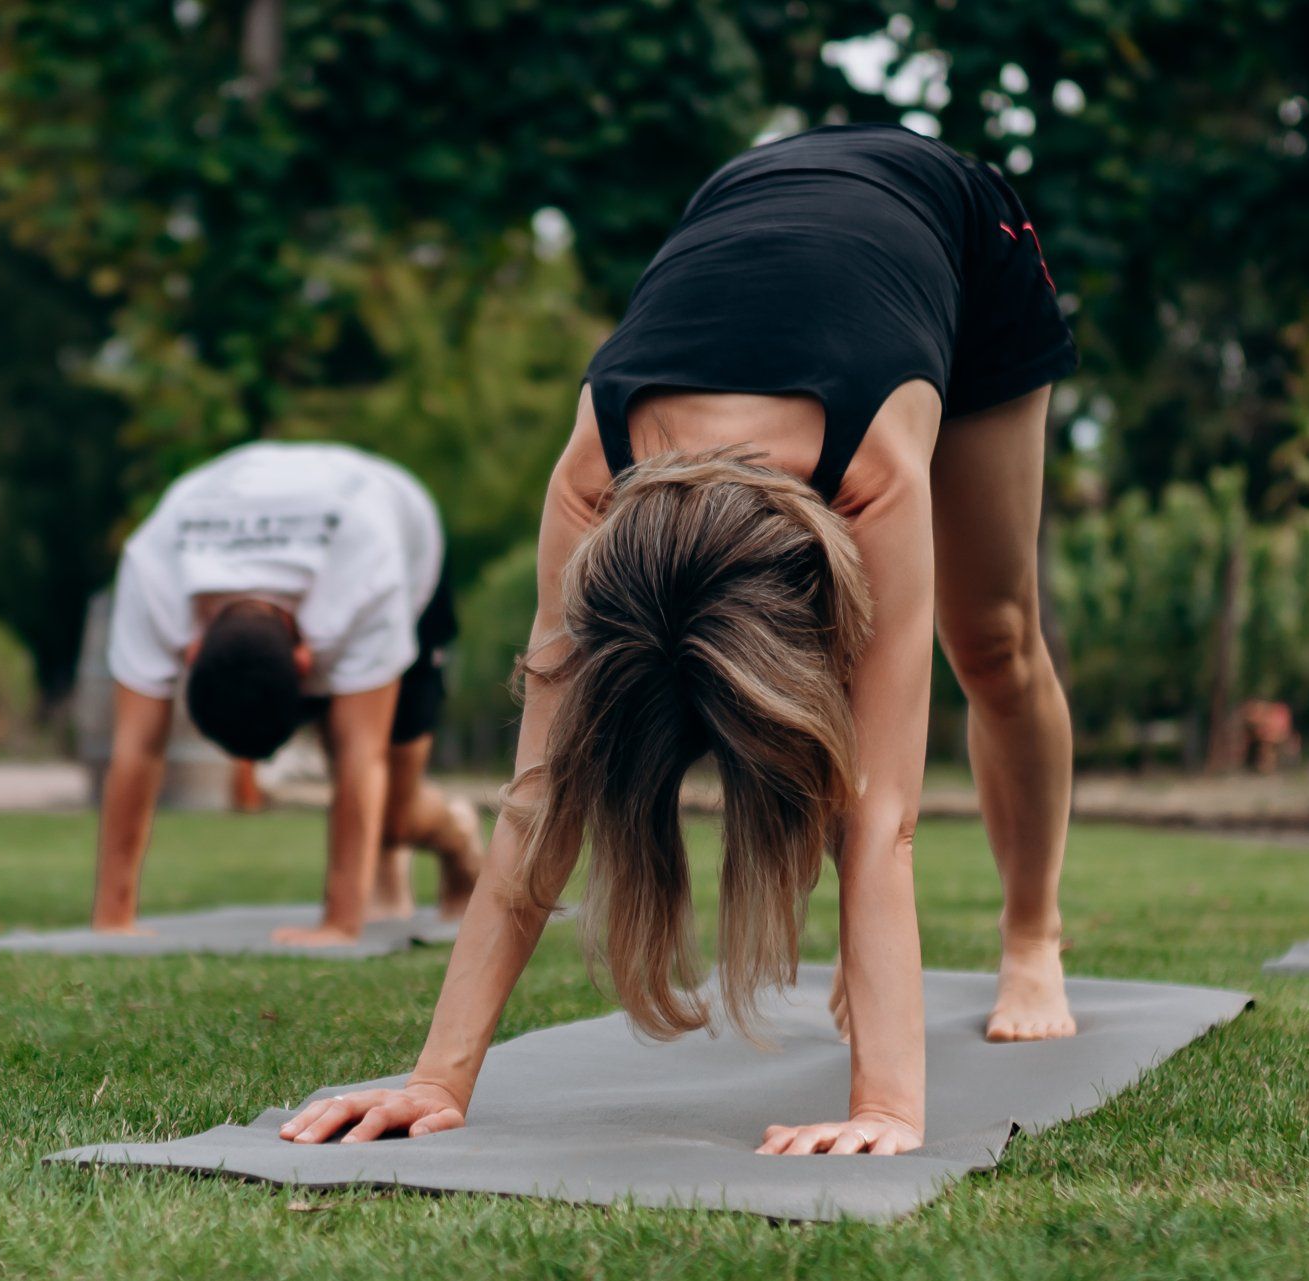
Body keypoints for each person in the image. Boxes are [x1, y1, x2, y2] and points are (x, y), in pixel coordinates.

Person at [280, 122, 1079, 1156]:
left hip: (957, 230)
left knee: (993, 641)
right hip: (748, 201)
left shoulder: (872, 463)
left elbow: (881, 818)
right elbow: (539, 799)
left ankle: (1034, 932)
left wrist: (886, 1108)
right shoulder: (591, 478)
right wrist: (439, 1080)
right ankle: (912, 959)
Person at [90, 440, 483, 947]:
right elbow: (135, 749)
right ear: (191, 651)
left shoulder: (366, 575)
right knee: (373, 803)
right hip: (268, 517)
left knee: (394, 813)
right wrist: (113, 915)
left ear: (305, 662)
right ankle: (385, 877)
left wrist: (339, 925)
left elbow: (361, 756)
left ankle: (458, 838)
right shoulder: (154, 570)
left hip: (396, 521)